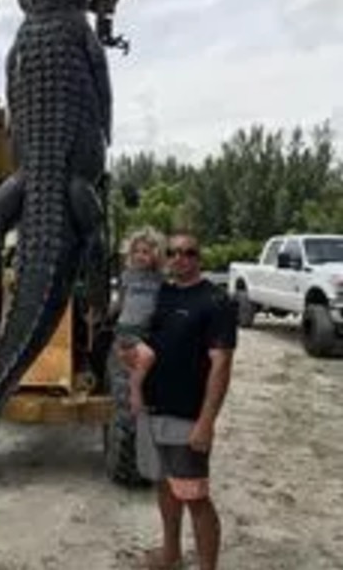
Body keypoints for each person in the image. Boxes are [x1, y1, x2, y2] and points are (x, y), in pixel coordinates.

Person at [120, 231, 237, 570]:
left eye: (188, 252)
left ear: (199, 257)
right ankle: (170, 554)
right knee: (165, 487)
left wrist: (206, 423)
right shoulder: (162, 294)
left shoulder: (215, 302)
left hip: (187, 417)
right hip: (153, 410)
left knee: (195, 497)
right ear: (165, 257)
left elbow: (221, 365)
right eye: (172, 252)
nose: (179, 258)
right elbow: (135, 335)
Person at [114, 226, 165, 415]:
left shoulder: (160, 280)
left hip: (145, 330)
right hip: (127, 328)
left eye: (145, 252)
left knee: (142, 361)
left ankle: (142, 394)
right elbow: (121, 303)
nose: (139, 256)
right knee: (147, 357)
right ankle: (135, 394)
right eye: (136, 251)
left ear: (155, 254)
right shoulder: (127, 276)